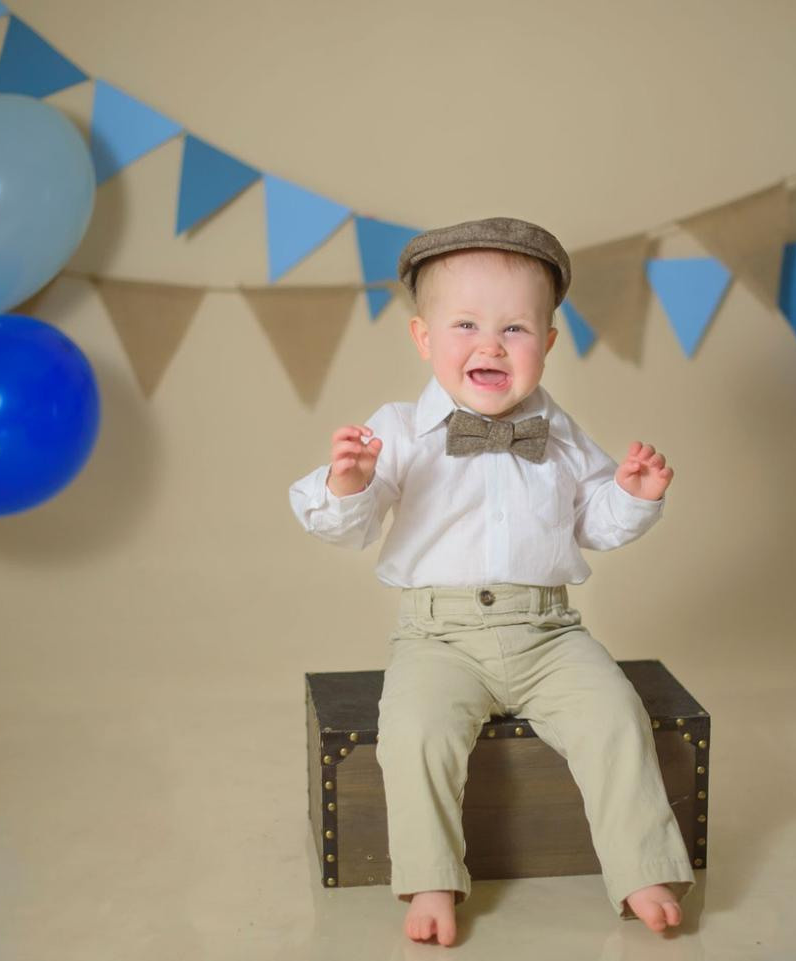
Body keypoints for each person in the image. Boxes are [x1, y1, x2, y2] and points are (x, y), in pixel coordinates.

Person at [288, 216, 694, 946]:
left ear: (548, 343)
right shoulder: (403, 429)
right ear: (424, 339)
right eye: (467, 324)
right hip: (438, 635)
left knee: (615, 718)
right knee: (413, 733)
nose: (490, 344)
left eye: (515, 329)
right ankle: (433, 876)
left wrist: (633, 492)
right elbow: (351, 524)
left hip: (550, 633)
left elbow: (594, 522)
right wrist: (349, 481)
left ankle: (641, 866)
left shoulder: (561, 430)